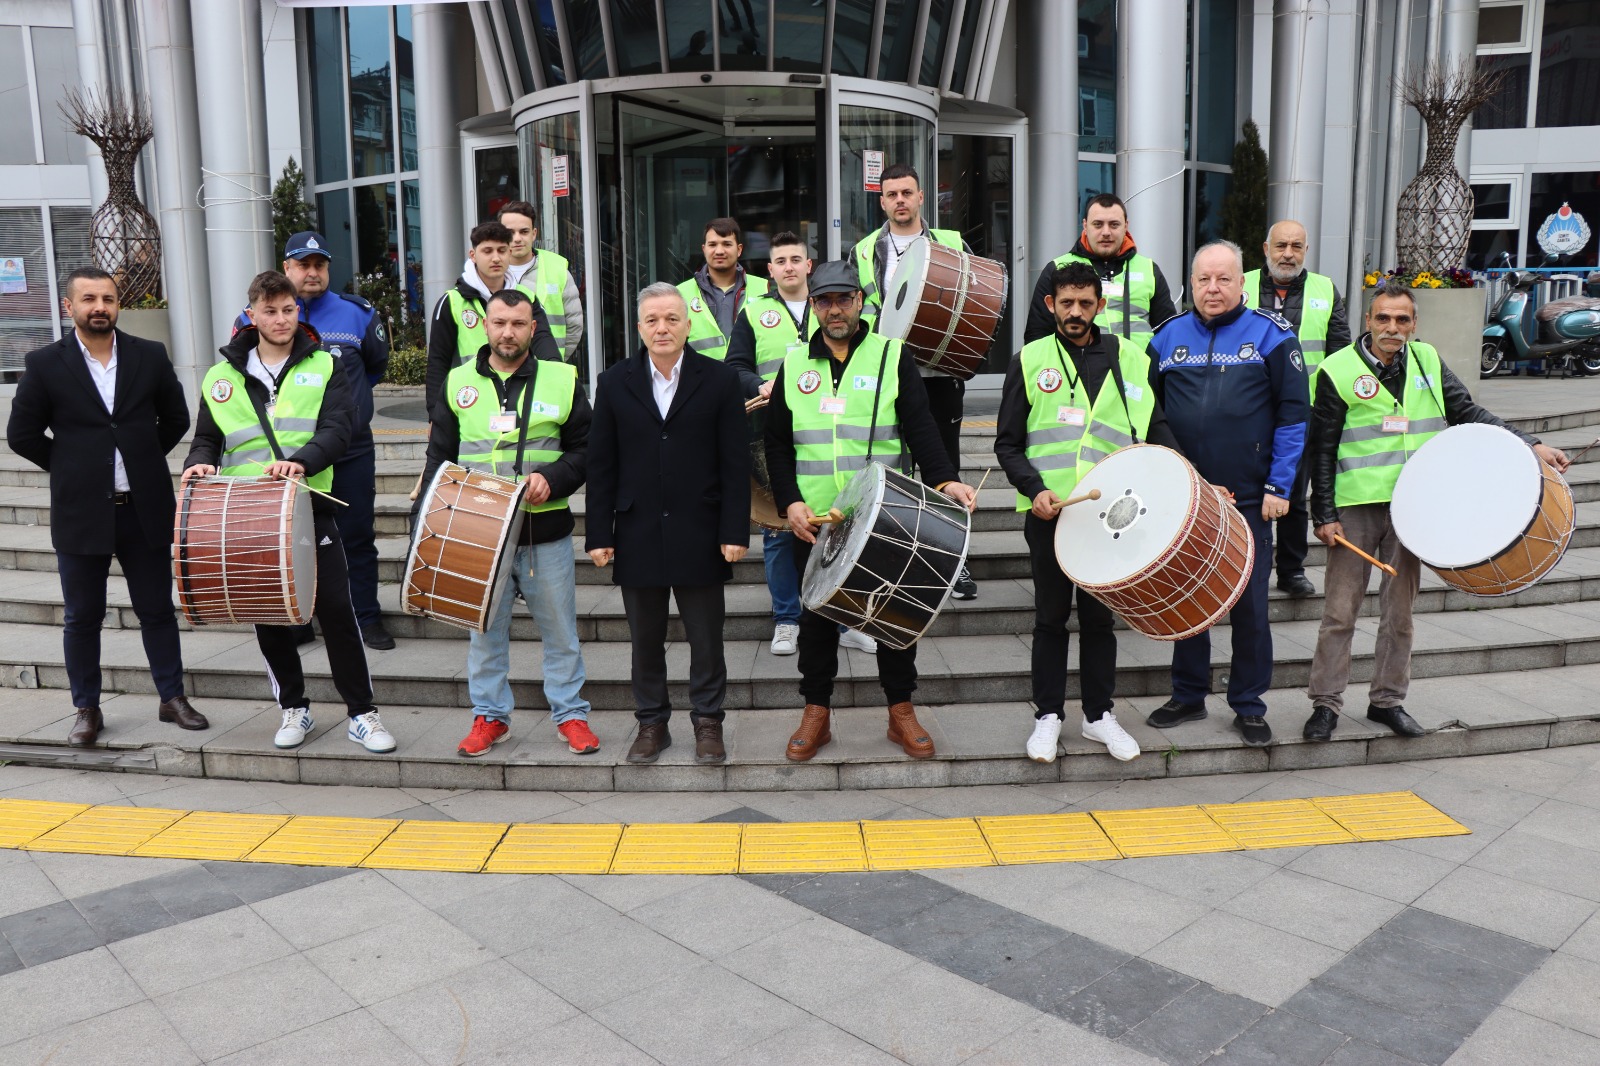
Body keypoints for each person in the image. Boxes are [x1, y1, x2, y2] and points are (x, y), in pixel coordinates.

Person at [1301, 281, 1569, 741]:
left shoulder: (1426, 360)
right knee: (1340, 613)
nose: (1393, 327)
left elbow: (1467, 411)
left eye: (1402, 319)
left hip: (1414, 506)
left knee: (1399, 614)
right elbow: (1320, 450)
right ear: (1367, 321)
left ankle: (1387, 701)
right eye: (1383, 318)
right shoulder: (1336, 369)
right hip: (1356, 507)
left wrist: (1531, 443)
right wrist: (1322, 513)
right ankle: (1325, 704)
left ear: (1414, 324)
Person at [764, 260, 978, 762]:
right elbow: (776, 445)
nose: (834, 309)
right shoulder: (794, 364)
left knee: (893, 615)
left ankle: (900, 711)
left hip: (883, 517)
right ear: (812, 306)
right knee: (815, 620)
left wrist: (945, 479)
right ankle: (816, 713)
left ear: (861, 302)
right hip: (815, 521)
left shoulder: (890, 356)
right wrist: (789, 503)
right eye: (823, 301)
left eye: (843, 299)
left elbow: (921, 427)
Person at [182, 270, 396, 754]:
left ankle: (363, 714)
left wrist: (300, 463)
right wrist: (197, 465)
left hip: (308, 507)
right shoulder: (221, 377)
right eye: (271, 311)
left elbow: (340, 428)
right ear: (251, 314)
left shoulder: (325, 365)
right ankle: (293, 708)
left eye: (289, 309)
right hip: (249, 514)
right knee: (270, 615)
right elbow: (207, 439)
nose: (281, 319)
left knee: (337, 611)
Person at [6, 267, 207, 745]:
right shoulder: (45, 363)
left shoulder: (150, 355)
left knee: (158, 609)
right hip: (81, 512)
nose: (100, 306)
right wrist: (75, 466)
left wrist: (140, 456)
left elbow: (177, 418)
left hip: (144, 507)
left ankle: (171, 697)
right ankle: (86, 708)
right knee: (82, 615)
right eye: (90, 298)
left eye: (109, 299)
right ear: (68, 307)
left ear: (119, 305)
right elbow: (22, 435)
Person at [995, 262, 1181, 763]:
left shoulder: (1132, 357)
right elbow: (1008, 445)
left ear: (1100, 306)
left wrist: (1193, 482)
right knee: (1050, 620)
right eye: (1066, 303)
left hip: (1115, 518)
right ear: (1050, 305)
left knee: (1100, 622)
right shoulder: (1030, 359)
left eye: (1085, 303)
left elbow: (1156, 429)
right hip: (1050, 516)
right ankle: (1048, 717)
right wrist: (1032, 489)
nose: (1075, 312)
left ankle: (1100, 716)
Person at [1144, 241, 1308, 747]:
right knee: (1188, 598)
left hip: (1249, 499)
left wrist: (1281, 485)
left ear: (1242, 283)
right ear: (1190, 284)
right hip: (1186, 500)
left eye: (1222, 279)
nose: (1212, 289)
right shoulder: (1165, 339)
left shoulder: (1273, 335)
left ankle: (1249, 704)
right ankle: (1189, 694)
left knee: (1250, 607)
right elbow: (1149, 416)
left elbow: (1294, 415)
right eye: (1202, 280)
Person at [423, 288, 599, 758]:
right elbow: (439, 457)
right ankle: (489, 717)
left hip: (545, 532)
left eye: (518, 324)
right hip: (478, 535)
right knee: (484, 635)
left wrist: (553, 477)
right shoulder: (458, 381)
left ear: (533, 328)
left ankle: (571, 715)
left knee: (561, 633)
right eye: (499, 322)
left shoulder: (562, 379)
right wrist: (429, 526)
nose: (508, 332)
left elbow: (587, 451)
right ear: (485, 325)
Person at [586, 282, 751, 765]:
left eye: (671, 319)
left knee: (706, 637)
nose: (662, 328)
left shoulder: (718, 381)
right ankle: (652, 723)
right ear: (639, 327)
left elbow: (734, 463)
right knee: (645, 640)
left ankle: (707, 723)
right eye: (652, 320)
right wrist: (599, 533)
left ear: (688, 324)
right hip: (636, 531)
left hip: (701, 529)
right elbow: (601, 464)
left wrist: (734, 531)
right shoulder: (614, 381)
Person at [233, 231, 393, 650]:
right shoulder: (257, 317)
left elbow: (374, 368)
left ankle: (366, 618)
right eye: (302, 264)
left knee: (356, 534)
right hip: (287, 457)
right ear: (286, 268)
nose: (312, 272)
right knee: (290, 538)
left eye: (319, 264)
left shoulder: (357, 314)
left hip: (351, 450)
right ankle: (297, 618)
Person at [849, 162, 978, 600]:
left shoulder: (953, 243)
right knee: (894, 470)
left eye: (907, 192)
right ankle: (898, 557)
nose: (900, 201)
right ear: (881, 201)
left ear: (922, 197)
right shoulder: (864, 250)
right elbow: (859, 313)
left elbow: (976, 299)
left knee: (945, 468)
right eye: (891, 195)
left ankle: (954, 563)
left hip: (939, 374)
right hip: (887, 374)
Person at [725, 230, 831, 657]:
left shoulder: (831, 304)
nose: (788, 266)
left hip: (826, 434)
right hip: (772, 435)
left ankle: (840, 618)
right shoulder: (753, 313)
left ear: (809, 266)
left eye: (795, 259)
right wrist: (759, 383)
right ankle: (787, 620)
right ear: (769, 271)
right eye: (780, 260)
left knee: (832, 527)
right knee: (779, 531)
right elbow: (734, 367)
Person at [1243, 220, 1353, 600]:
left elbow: (1341, 353)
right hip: (1248, 411)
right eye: (1281, 246)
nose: (1288, 254)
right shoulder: (1239, 285)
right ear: (1266, 248)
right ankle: (1245, 569)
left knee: (1292, 493)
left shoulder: (1325, 289)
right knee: (1249, 494)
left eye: (1296, 246)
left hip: (1302, 413)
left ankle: (1291, 571)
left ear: (1306, 250)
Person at [426, 221, 559, 424]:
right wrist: (435, 416)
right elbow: (438, 361)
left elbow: (543, 341)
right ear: (473, 255)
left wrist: (558, 379)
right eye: (487, 251)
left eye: (502, 250)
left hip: (518, 397)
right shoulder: (452, 302)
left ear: (509, 254)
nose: (496, 258)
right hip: (468, 402)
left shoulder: (526, 298)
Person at [1023, 193, 1179, 349]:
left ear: (1126, 226)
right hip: (1076, 369)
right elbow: (1036, 336)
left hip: (1138, 370)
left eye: (1114, 224)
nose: (1106, 232)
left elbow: (1169, 334)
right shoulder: (1057, 268)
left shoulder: (1149, 269)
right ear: (1085, 226)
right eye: (1098, 224)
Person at [497, 200, 584, 364]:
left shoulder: (557, 270)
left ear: (534, 233)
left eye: (524, 231)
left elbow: (574, 327)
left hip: (547, 371)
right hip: (501, 373)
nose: (517, 239)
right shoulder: (490, 273)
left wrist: (553, 361)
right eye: (510, 232)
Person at [677, 217, 768, 362]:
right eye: (712, 244)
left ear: (739, 250)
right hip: (702, 381)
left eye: (726, 244)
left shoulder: (764, 288)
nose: (719, 251)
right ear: (704, 249)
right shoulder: (680, 294)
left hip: (750, 381)